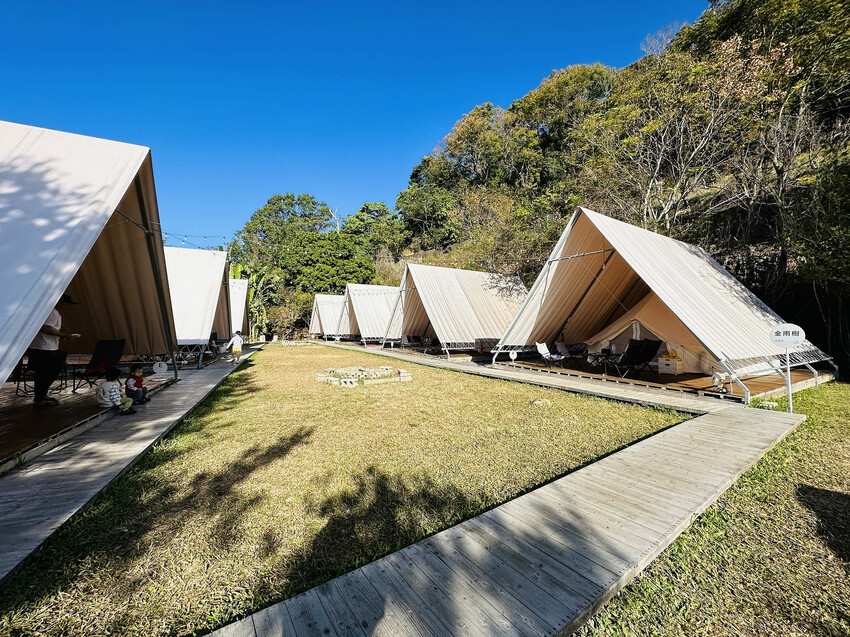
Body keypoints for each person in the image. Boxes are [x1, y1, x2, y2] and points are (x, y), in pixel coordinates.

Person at [27, 294, 81, 407]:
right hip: (43, 348)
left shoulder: (54, 312)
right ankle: (39, 398)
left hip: (48, 347)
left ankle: (42, 395)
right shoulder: (52, 312)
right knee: (45, 373)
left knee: (52, 370)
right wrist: (65, 335)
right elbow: (45, 328)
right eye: (68, 304)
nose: (69, 307)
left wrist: (61, 337)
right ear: (61, 303)